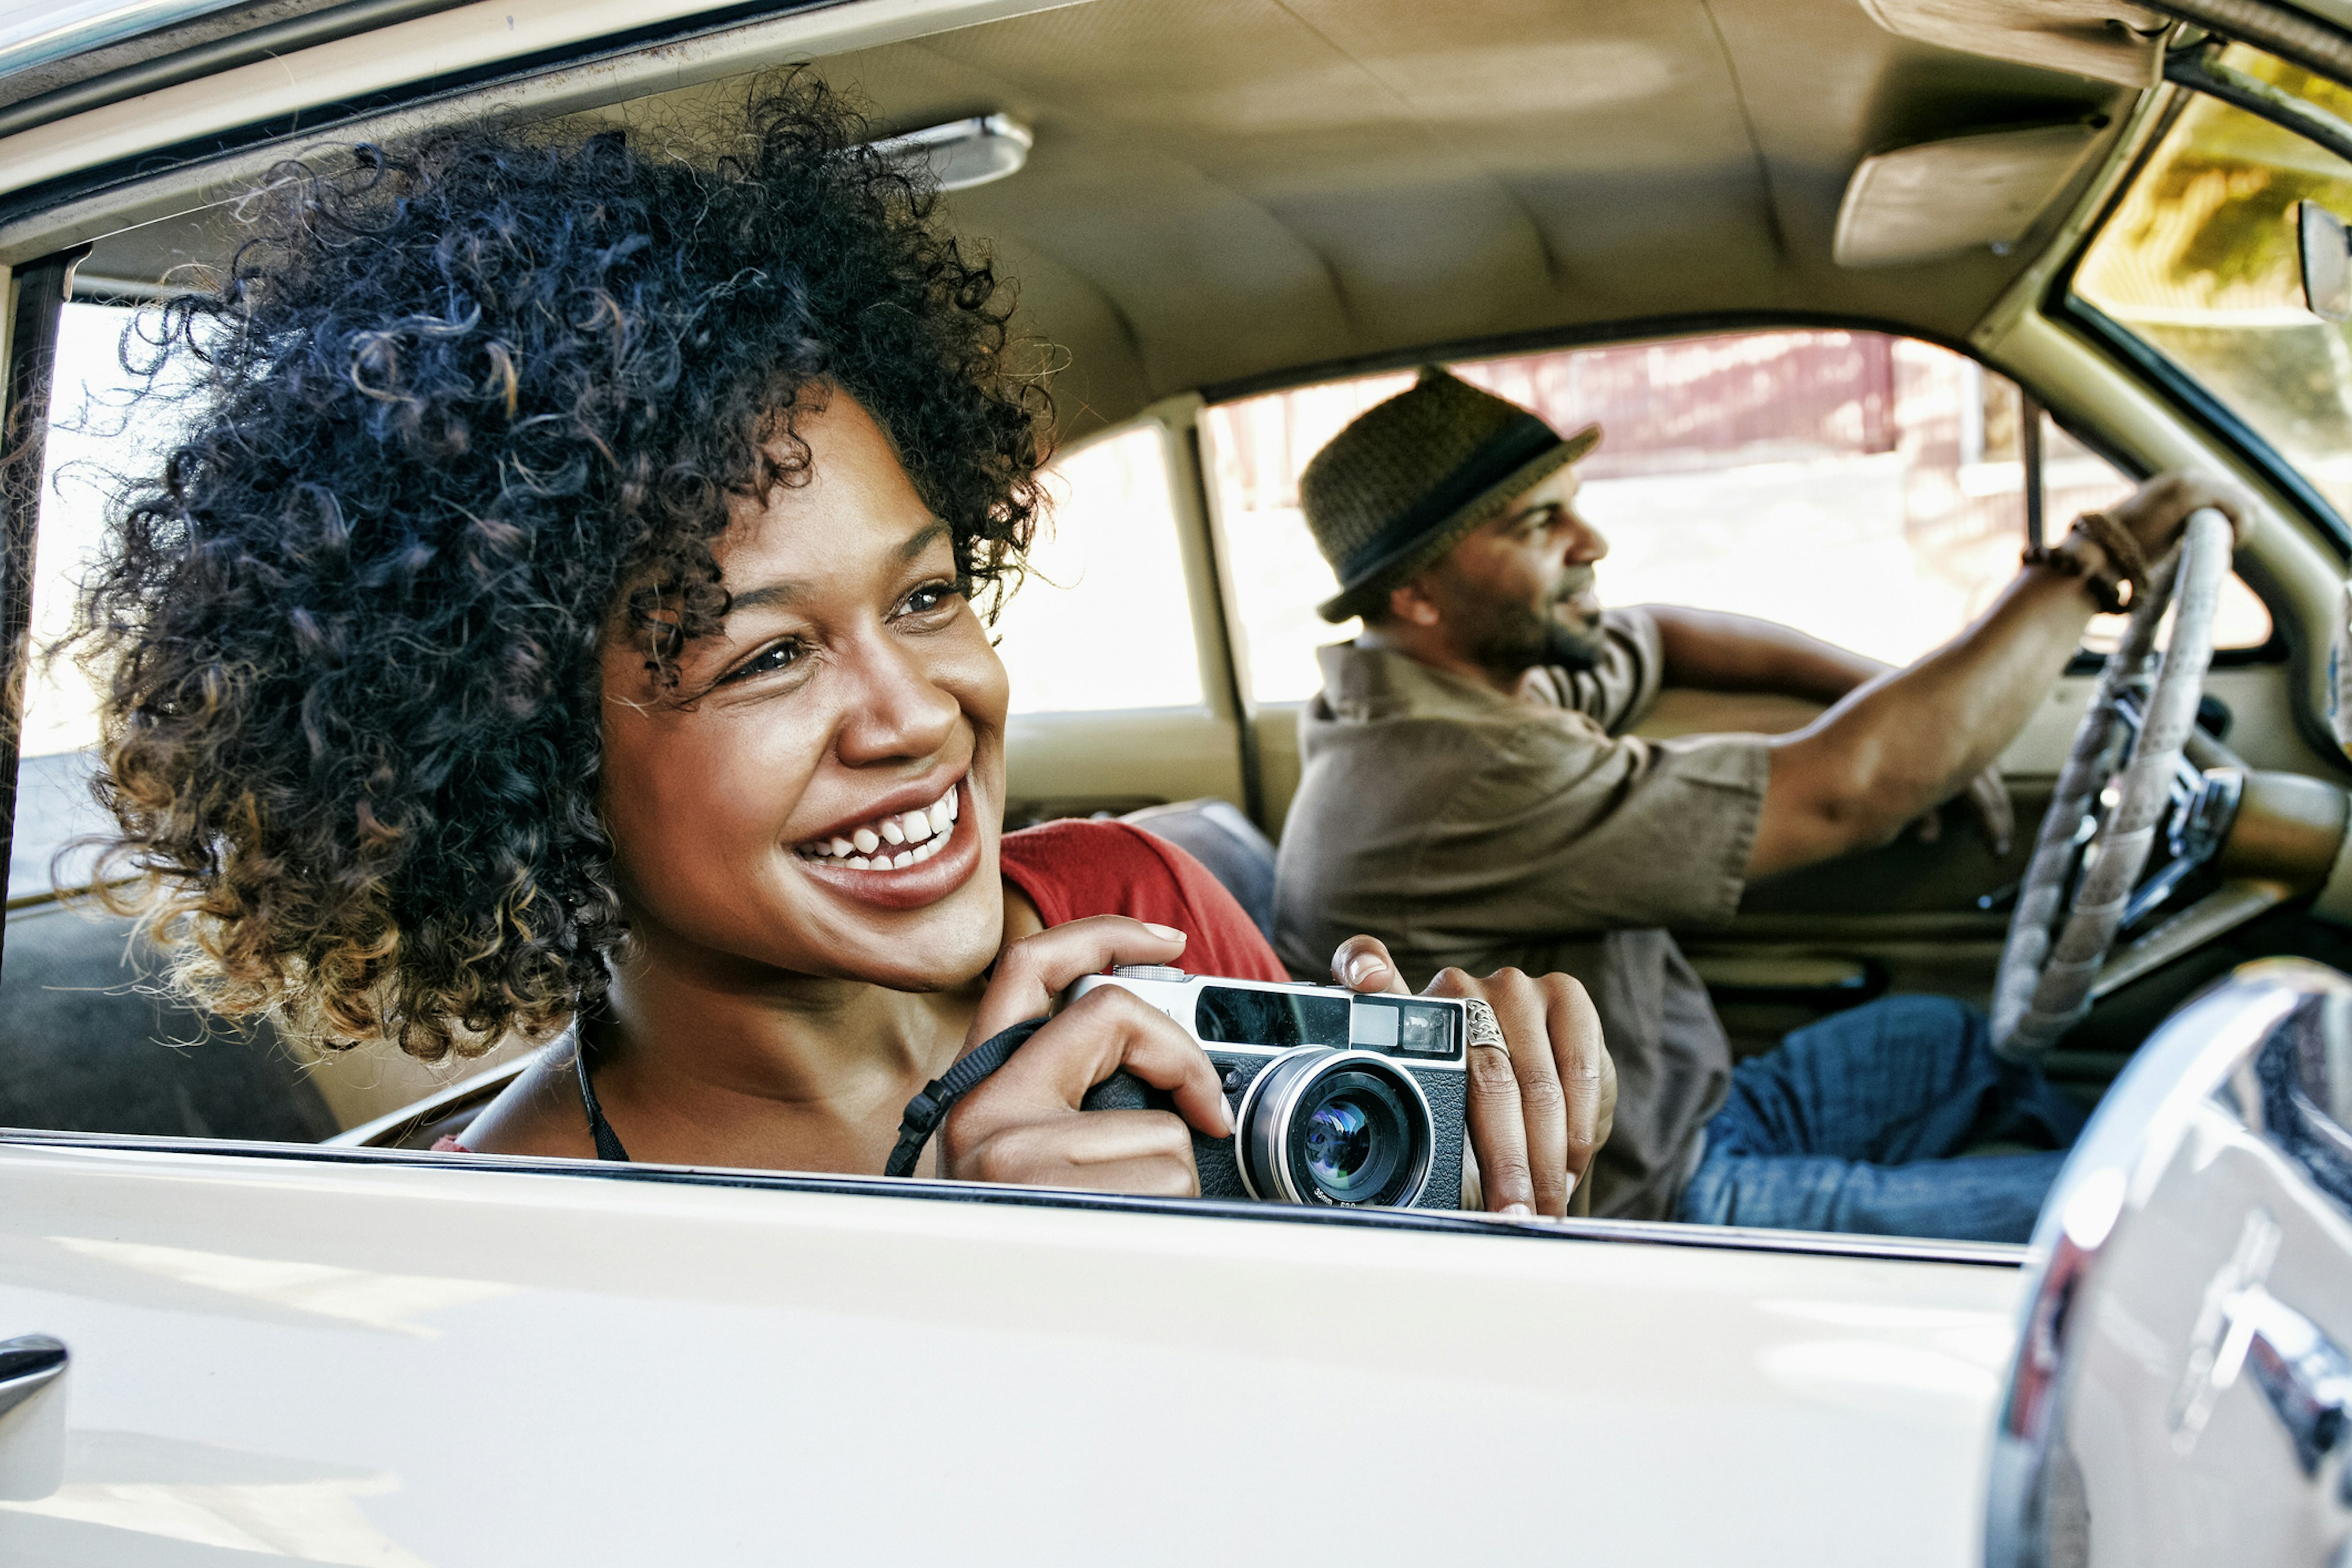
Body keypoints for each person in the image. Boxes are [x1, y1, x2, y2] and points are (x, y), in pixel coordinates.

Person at [65, 80, 1610, 1213]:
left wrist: (1480, 1169)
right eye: (765, 659)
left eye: (926, 596)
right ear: (524, 759)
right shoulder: (519, 1222)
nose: (914, 715)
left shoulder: (1134, 909)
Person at [1273, 367, 2257, 1240]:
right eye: (1537, 526)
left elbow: (1658, 635)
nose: (1592, 541)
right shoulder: (1460, 774)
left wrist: (1874, 685)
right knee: (2148, 1220)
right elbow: (1845, 795)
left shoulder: (1479, 678)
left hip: (1699, 1112)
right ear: (1417, 598)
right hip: (1654, 1199)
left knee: (1957, 1045)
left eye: (1571, 505)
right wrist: (2096, 562)